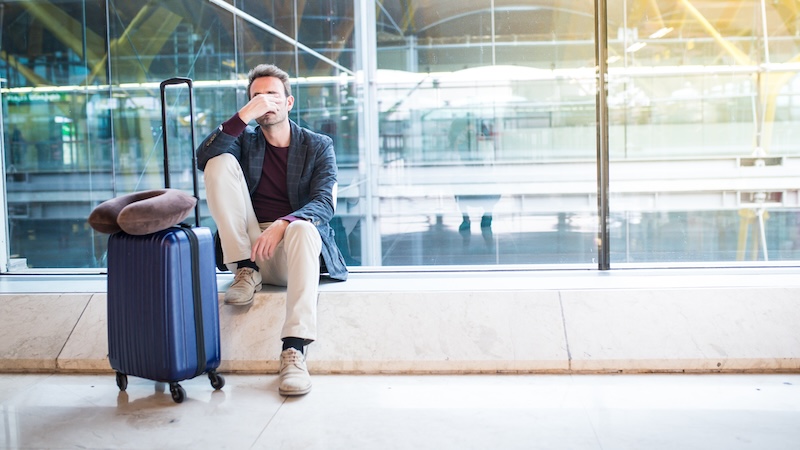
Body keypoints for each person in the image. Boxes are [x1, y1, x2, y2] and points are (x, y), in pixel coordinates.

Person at [196, 64, 348, 396]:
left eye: (272, 95)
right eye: (257, 97)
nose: (265, 101)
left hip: (293, 251)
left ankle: (294, 350)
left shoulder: (318, 145)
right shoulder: (244, 141)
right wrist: (244, 116)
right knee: (217, 162)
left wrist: (284, 223)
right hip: (247, 249)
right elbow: (203, 157)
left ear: (289, 102)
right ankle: (246, 269)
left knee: (304, 229)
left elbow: (325, 202)